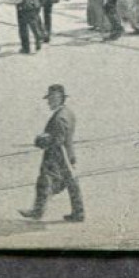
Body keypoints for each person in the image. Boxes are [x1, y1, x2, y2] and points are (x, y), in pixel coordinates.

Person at [20, 84, 85, 222]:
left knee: (45, 181)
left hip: (57, 156)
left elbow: (58, 140)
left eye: (52, 98)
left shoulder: (60, 117)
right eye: (49, 98)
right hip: (67, 154)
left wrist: (42, 140)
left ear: (60, 98)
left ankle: (37, 212)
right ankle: (78, 213)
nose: (49, 101)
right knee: (71, 183)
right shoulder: (68, 112)